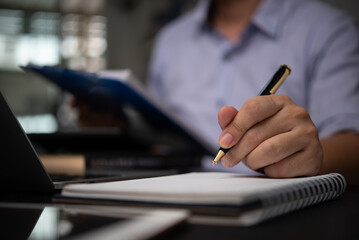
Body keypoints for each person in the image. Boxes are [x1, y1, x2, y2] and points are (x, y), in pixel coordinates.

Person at [147, 0, 359, 183]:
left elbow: (352, 143)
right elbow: (153, 134)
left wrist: (317, 156)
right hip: (175, 192)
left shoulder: (327, 30)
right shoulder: (169, 40)